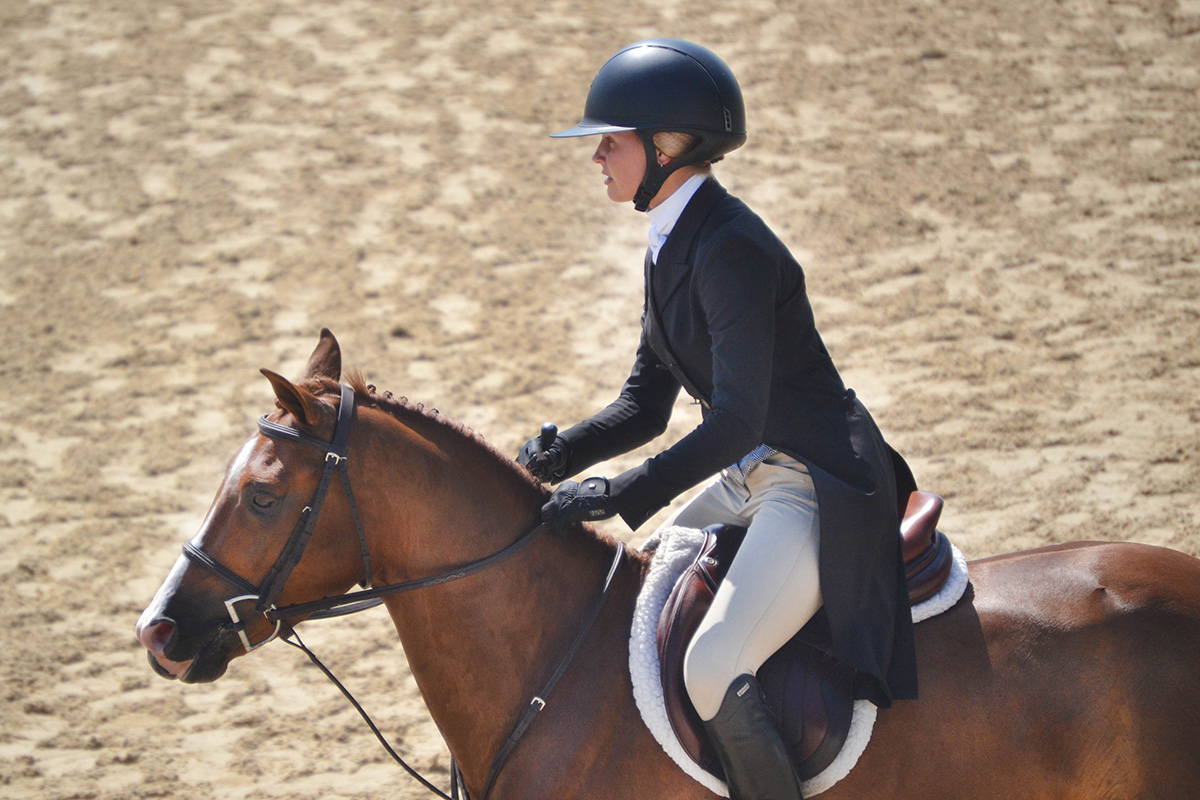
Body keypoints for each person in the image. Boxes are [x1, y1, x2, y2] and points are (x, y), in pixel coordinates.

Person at [517, 38, 918, 800]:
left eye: (612, 139)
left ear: (667, 145)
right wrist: (556, 454)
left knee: (710, 665)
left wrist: (617, 495)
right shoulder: (670, 243)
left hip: (818, 477)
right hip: (750, 474)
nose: (597, 154)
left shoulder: (730, 249)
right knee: (638, 610)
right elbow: (645, 404)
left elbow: (736, 418)